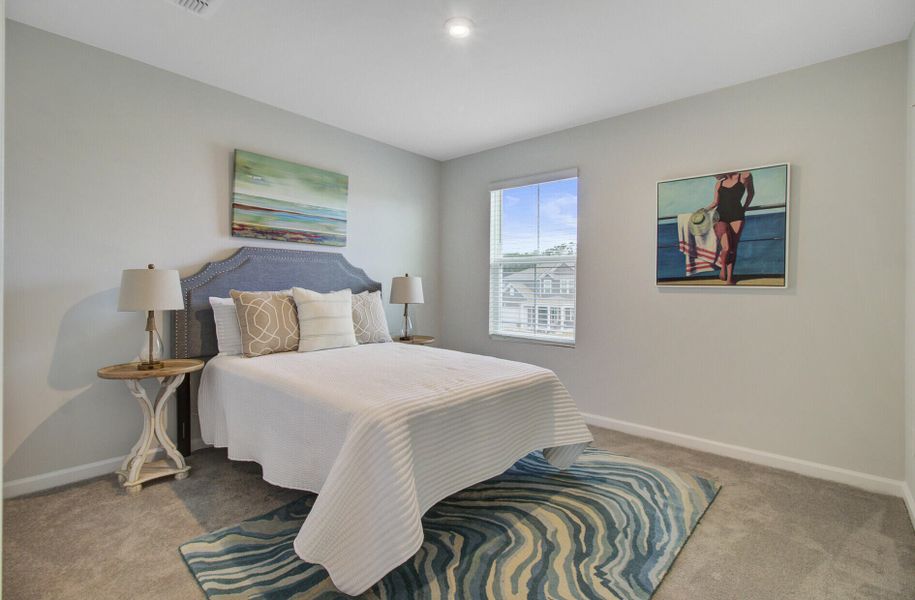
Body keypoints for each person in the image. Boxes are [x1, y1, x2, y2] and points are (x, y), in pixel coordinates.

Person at [706, 171, 754, 284]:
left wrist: (745, 208)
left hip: (737, 215)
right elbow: (715, 202)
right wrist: (703, 210)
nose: (716, 175)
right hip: (720, 216)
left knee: (733, 249)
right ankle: (722, 267)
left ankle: (729, 279)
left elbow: (751, 193)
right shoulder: (719, 183)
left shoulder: (743, 176)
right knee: (726, 247)